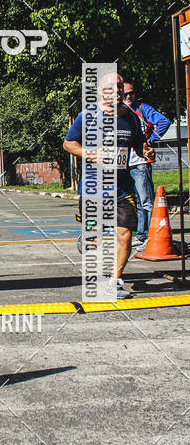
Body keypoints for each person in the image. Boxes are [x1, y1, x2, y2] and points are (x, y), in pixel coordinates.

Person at [64, 72, 154, 299]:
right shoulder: (87, 116)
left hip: (122, 187)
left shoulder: (132, 118)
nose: (118, 91)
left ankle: (115, 280)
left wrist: (146, 150)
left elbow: (139, 145)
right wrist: (91, 154)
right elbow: (68, 144)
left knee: (125, 235)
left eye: (120, 87)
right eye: (112, 88)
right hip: (94, 187)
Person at [122, 83, 171, 251]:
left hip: (141, 162)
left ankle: (151, 237)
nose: (129, 97)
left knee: (147, 202)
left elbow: (164, 122)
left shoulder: (142, 109)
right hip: (126, 164)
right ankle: (141, 236)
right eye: (125, 94)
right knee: (138, 203)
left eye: (131, 93)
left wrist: (151, 140)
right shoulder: (120, 111)